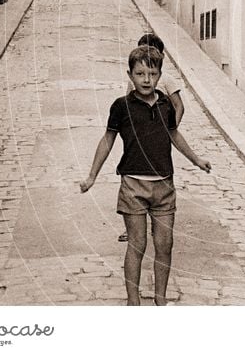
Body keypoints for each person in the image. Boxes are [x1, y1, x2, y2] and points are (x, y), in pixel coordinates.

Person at [80, 45, 211, 305]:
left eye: (152, 73)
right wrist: (92, 175)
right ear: (130, 75)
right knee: (137, 244)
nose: (146, 79)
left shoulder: (165, 106)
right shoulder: (121, 106)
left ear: (160, 75)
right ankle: (133, 300)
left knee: (165, 245)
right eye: (140, 74)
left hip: (164, 185)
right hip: (133, 185)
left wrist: (196, 159)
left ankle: (160, 299)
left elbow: (174, 135)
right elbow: (107, 140)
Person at [116, 32, 185, 243]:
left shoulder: (167, 81)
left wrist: (165, 131)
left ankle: (155, 225)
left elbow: (179, 106)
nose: (146, 78)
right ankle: (133, 228)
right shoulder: (132, 89)